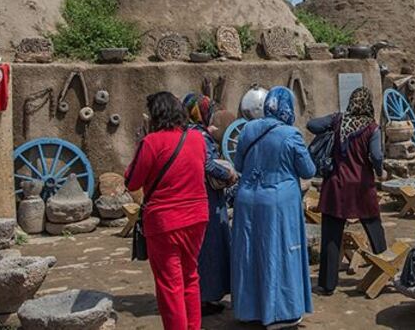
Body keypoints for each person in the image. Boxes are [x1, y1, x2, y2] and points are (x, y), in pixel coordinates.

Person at [231, 86, 316, 329]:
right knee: (279, 253)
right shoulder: (290, 134)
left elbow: (239, 165)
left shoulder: (248, 129)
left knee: (250, 254)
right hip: (278, 203)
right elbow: (308, 170)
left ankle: (250, 310)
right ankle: (280, 312)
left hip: (247, 200)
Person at [125, 92, 209, 330]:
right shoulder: (196, 138)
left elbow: (132, 182)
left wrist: (140, 145)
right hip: (197, 216)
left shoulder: (151, 142)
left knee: (170, 286)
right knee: (190, 276)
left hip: (165, 221)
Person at [308, 87, 387, 295]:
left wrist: (333, 120)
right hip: (361, 186)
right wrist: (380, 171)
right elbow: (377, 156)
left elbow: (312, 125)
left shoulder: (338, 121)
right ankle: (385, 270)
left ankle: (327, 284)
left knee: (331, 235)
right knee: (374, 228)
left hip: (336, 186)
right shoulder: (372, 128)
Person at [182, 93, 237, 316]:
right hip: (207, 197)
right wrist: (228, 174)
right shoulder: (199, 136)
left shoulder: (186, 132)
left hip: (197, 195)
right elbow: (206, 164)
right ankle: (203, 298)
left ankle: (204, 296)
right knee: (209, 249)